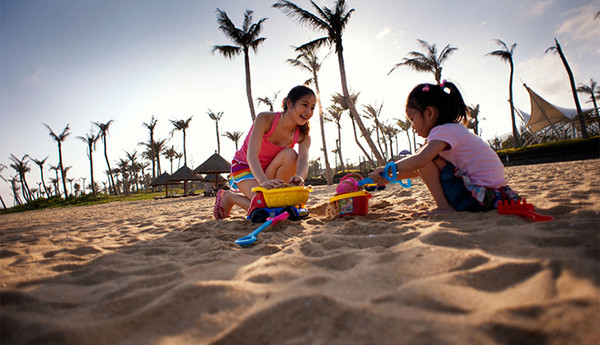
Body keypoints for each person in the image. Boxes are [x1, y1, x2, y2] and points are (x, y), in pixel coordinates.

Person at [369, 81, 519, 213]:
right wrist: (390, 177)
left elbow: (421, 161)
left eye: (412, 119)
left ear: (429, 112)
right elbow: (420, 169)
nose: (412, 127)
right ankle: (446, 206)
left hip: (476, 197)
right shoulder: (452, 131)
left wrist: (390, 169)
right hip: (496, 195)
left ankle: (444, 208)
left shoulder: (442, 131)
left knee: (423, 157)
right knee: (428, 159)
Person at [214, 85, 316, 219]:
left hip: (269, 169)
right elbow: (252, 154)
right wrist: (262, 181)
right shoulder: (265, 119)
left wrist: (300, 176)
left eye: (313, 107)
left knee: (290, 154)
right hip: (245, 166)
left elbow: (303, 159)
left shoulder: (303, 136)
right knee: (264, 206)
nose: (309, 111)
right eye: (305, 105)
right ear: (290, 103)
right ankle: (229, 197)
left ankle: (264, 198)